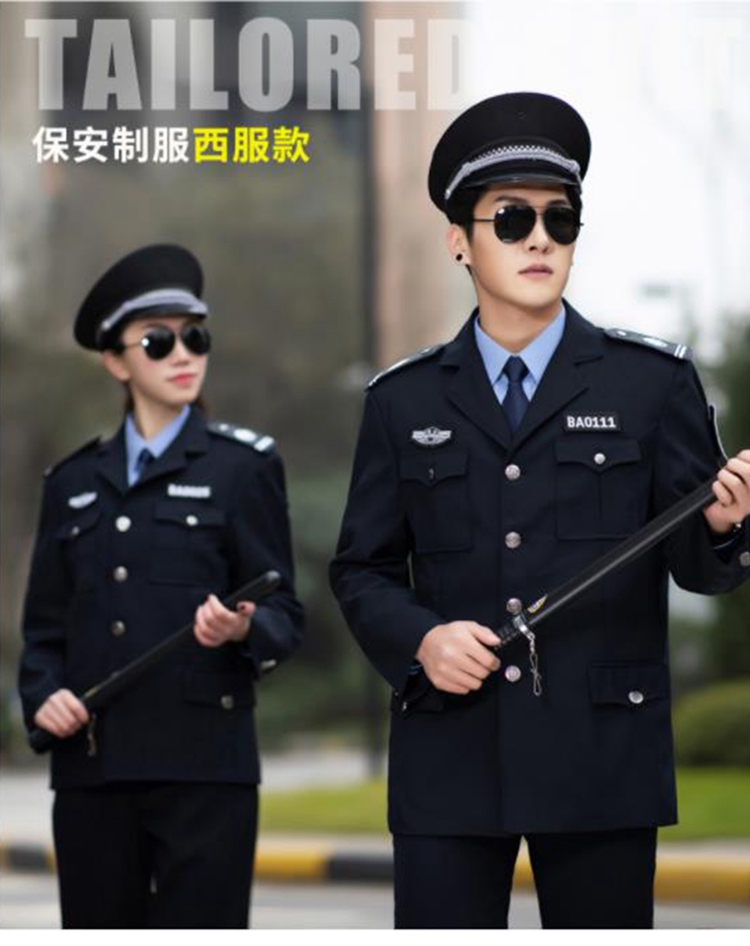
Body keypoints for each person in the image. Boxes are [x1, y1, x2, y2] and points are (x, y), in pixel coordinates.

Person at [329, 92, 750, 929]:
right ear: (460, 240)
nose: (540, 239)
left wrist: (723, 525)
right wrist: (422, 640)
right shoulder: (402, 400)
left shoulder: (652, 383)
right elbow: (362, 569)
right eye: (512, 217)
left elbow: (702, 572)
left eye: (561, 219)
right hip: (450, 752)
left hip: (603, 754)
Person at [18, 244, 304, 928]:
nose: (183, 355)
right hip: (92, 771)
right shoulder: (72, 482)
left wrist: (243, 627)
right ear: (116, 362)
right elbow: (44, 632)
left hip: (204, 771)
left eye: (194, 338)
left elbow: (285, 614)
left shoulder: (243, 467)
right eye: (158, 341)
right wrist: (42, 696)